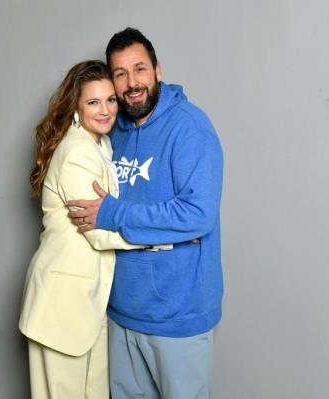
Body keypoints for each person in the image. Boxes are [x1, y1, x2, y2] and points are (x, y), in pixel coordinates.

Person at [67, 28, 224, 399]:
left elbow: (197, 214)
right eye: (120, 74)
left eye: (139, 69)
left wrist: (114, 213)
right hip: (121, 313)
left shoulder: (190, 127)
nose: (131, 83)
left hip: (178, 315)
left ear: (157, 70)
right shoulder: (111, 130)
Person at [19, 60, 172, 399]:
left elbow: (107, 216)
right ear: (75, 105)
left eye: (110, 100)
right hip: (61, 305)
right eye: (93, 102)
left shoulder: (100, 144)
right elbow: (98, 232)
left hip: (87, 305)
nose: (105, 111)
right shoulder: (76, 153)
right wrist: (162, 237)